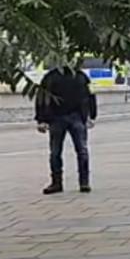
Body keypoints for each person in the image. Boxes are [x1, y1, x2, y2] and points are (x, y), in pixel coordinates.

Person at [35, 62, 98, 195]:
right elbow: (41, 97)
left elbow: (91, 95)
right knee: (58, 152)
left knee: (79, 151)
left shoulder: (81, 76)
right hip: (58, 118)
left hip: (76, 117)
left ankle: (83, 182)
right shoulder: (51, 77)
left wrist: (92, 115)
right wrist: (41, 119)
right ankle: (59, 182)